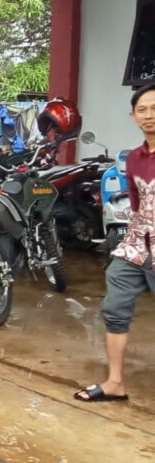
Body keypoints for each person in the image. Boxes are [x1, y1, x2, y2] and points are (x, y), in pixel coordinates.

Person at [75, 84, 155, 403]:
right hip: (138, 246)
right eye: (143, 110)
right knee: (115, 307)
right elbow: (136, 205)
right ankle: (115, 383)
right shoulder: (134, 159)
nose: (150, 116)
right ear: (133, 117)